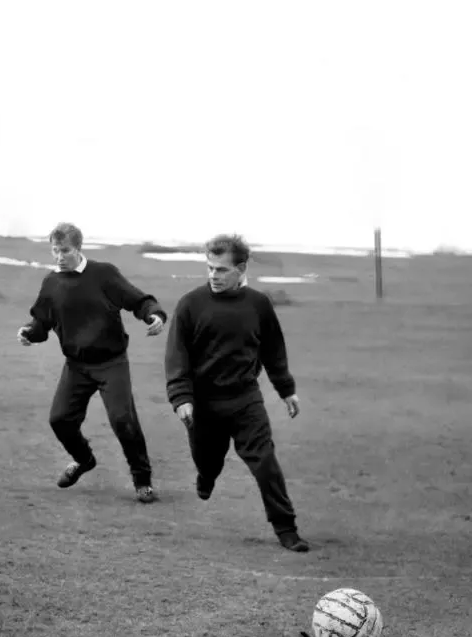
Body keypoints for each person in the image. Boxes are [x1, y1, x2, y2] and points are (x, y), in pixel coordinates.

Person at [164, 233, 310, 552]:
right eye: (210, 268)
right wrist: (181, 398)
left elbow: (273, 350)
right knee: (208, 460)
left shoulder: (258, 305)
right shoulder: (190, 304)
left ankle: (287, 529)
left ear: (241, 269)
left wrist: (286, 390)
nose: (213, 276)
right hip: (203, 404)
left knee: (265, 461)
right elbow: (177, 356)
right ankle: (207, 475)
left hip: (245, 399)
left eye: (221, 270)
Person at [18, 222, 167, 503]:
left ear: (78, 248)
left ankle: (142, 481)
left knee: (123, 420)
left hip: (111, 362)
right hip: (76, 365)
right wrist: (28, 332)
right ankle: (83, 459)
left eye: (65, 251)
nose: (59, 257)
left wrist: (154, 314)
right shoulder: (51, 282)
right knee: (60, 420)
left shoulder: (104, 274)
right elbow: (42, 322)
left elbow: (138, 300)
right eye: (54, 250)